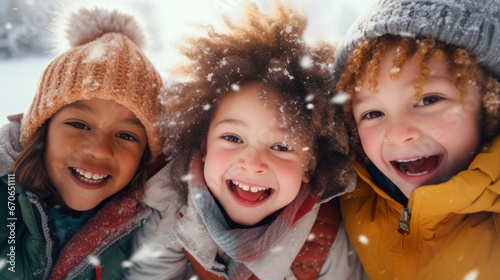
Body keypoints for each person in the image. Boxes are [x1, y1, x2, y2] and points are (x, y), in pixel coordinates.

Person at [127, 1, 364, 279]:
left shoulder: (322, 237)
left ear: (308, 168)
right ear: (203, 145)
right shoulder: (171, 210)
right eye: (232, 137)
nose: (253, 164)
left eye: (281, 146)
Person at [332, 0, 500, 278]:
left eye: (428, 100)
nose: (398, 134)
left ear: (489, 100)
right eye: (373, 113)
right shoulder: (353, 190)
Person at [0, 4, 164, 279]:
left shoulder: (152, 229)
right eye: (79, 125)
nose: (99, 148)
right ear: (42, 129)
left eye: (126, 135)